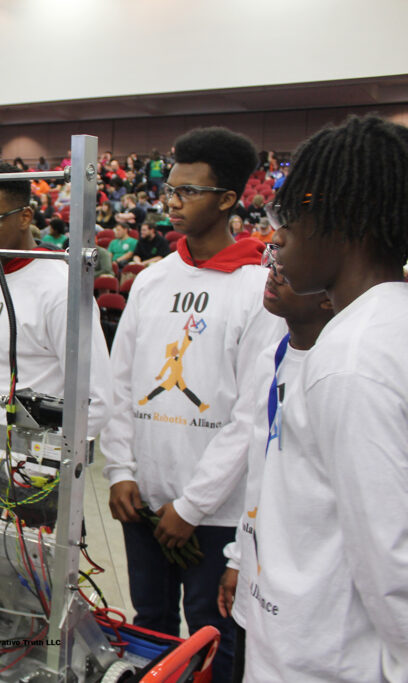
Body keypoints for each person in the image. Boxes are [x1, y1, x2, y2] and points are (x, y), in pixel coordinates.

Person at [100, 127, 285, 682]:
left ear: (228, 199)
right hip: (144, 499)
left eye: (188, 192)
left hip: (214, 512)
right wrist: (119, 470)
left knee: (213, 634)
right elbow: (121, 382)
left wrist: (194, 506)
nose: (172, 203)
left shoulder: (258, 288)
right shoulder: (153, 280)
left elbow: (252, 414)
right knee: (150, 627)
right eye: (170, 191)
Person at [243, 115, 408, 681]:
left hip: (328, 659)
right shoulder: (382, 325)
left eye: (291, 218)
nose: (279, 236)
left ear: (348, 222)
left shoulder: (353, 360)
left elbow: (391, 564)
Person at [0, 163, 112, 527]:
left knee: (35, 580)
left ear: (25, 216)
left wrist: (43, 463)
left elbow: (97, 397)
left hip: (31, 472)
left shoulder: (60, 288)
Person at [216, 242, 333, 681]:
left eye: (286, 262)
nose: (273, 270)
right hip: (259, 587)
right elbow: (261, 477)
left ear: (329, 290)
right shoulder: (275, 356)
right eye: (272, 256)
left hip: (311, 619)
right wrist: (240, 558)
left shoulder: (340, 373)